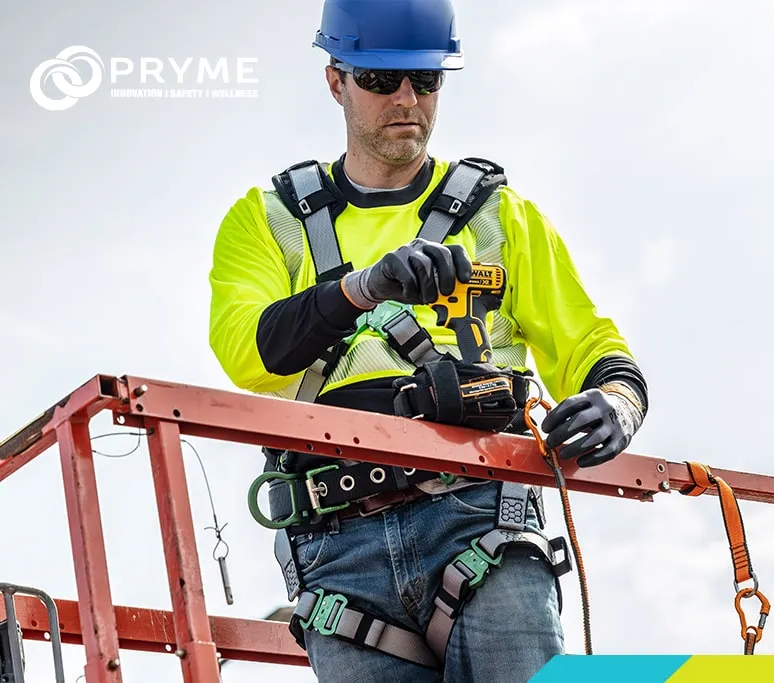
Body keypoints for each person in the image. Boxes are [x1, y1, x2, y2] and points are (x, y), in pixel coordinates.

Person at [207, 0, 649, 680]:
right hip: (338, 549)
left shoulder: (499, 216)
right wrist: (362, 287)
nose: (407, 99)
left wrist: (618, 403)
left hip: (480, 520)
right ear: (336, 82)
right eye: (381, 80)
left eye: (427, 79)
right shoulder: (271, 219)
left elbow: (589, 340)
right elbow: (247, 350)